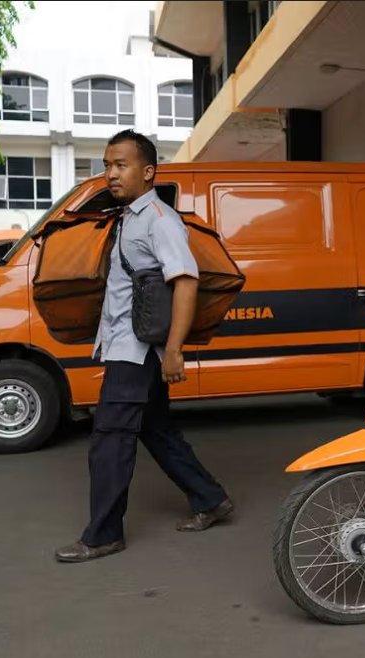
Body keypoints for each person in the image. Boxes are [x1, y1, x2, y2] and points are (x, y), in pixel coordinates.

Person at [56, 130, 233, 563]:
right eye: (106, 165)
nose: (110, 174)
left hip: (137, 350)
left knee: (111, 437)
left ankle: (103, 534)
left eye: (121, 165)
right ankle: (210, 498)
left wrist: (175, 349)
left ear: (148, 171)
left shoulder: (158, 218)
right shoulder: (128, 217)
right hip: (127, 343)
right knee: (155, 428)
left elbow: (185, 281)